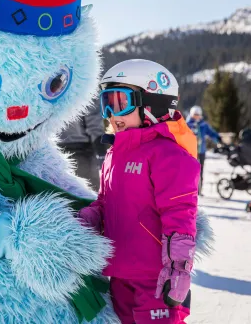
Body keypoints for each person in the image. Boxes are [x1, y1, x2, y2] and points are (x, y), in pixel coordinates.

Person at [79, 59, 208, 324]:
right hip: (119, 275)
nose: (111, 114)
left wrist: (178, 270)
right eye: (106, 104)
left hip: (155, 280)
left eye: (119, 103)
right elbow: (105, 204)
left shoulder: (169, 156)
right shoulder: (115, 154)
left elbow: (180, 217)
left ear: (152, 103)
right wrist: (85, 219)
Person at [59, 102, 108, 188]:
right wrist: (101, 151)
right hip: (80, 149)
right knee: (87, 193)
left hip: (59, 148)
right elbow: (94, 119)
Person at [186, 106, 221, 195]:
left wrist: (218, 138)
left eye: (198, 115)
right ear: (191, 115)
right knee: (190, 171)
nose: (196, 116)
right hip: (190, 152)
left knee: (200, 171)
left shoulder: (203, 125)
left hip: (201, 151)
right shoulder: (187, 124)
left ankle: (198, 190)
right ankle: (189, 190)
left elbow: (211, 133)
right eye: (195, 115)